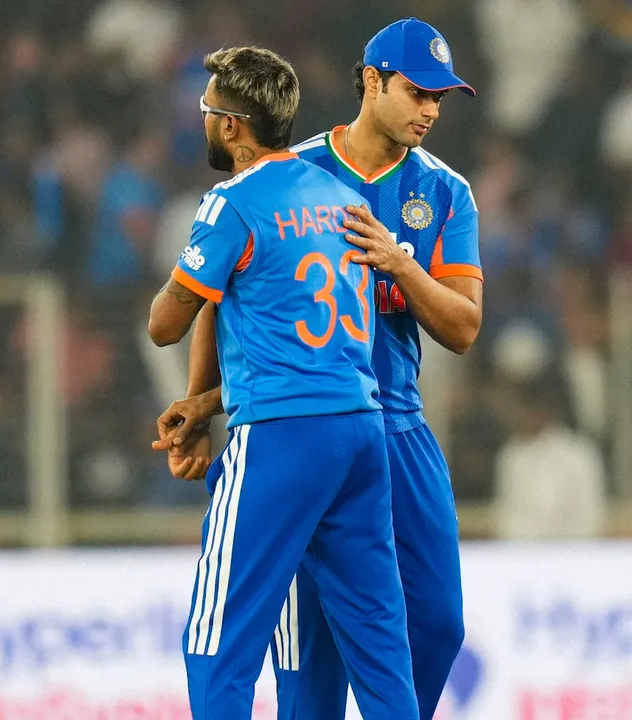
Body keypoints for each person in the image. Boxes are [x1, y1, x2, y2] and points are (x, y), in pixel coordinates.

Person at [155, 18, 483, 720]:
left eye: (441, 99)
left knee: (437, 625)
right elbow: (219, 292)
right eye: (418, 92)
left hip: (395, 425)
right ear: (371, 81)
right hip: (300, 421)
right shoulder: (293, 169)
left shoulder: (446, 191)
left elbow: (463, 326)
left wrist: (401, 266)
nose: (430, 110)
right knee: (310, 653)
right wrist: (202, 402)